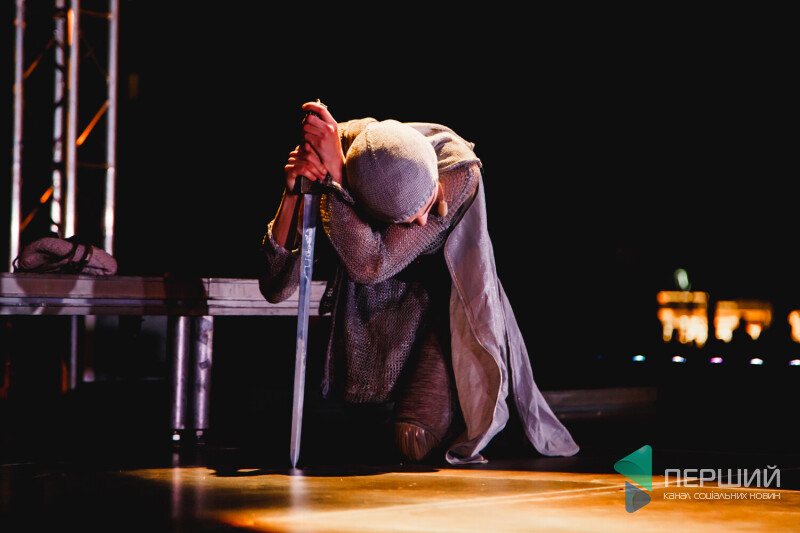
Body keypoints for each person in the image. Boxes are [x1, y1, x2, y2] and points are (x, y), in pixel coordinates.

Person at [259, 101, 578, 464]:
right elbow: (276, 287)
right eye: (410, 219)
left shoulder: (456, 171)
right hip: (374, 315)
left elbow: (370, 265)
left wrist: (336, 183)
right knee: (357, 435)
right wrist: (293, 196)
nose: (424, 222)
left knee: (412, 438)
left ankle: (459, 408)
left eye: (426, 205)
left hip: (440, 318)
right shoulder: (338, 151)